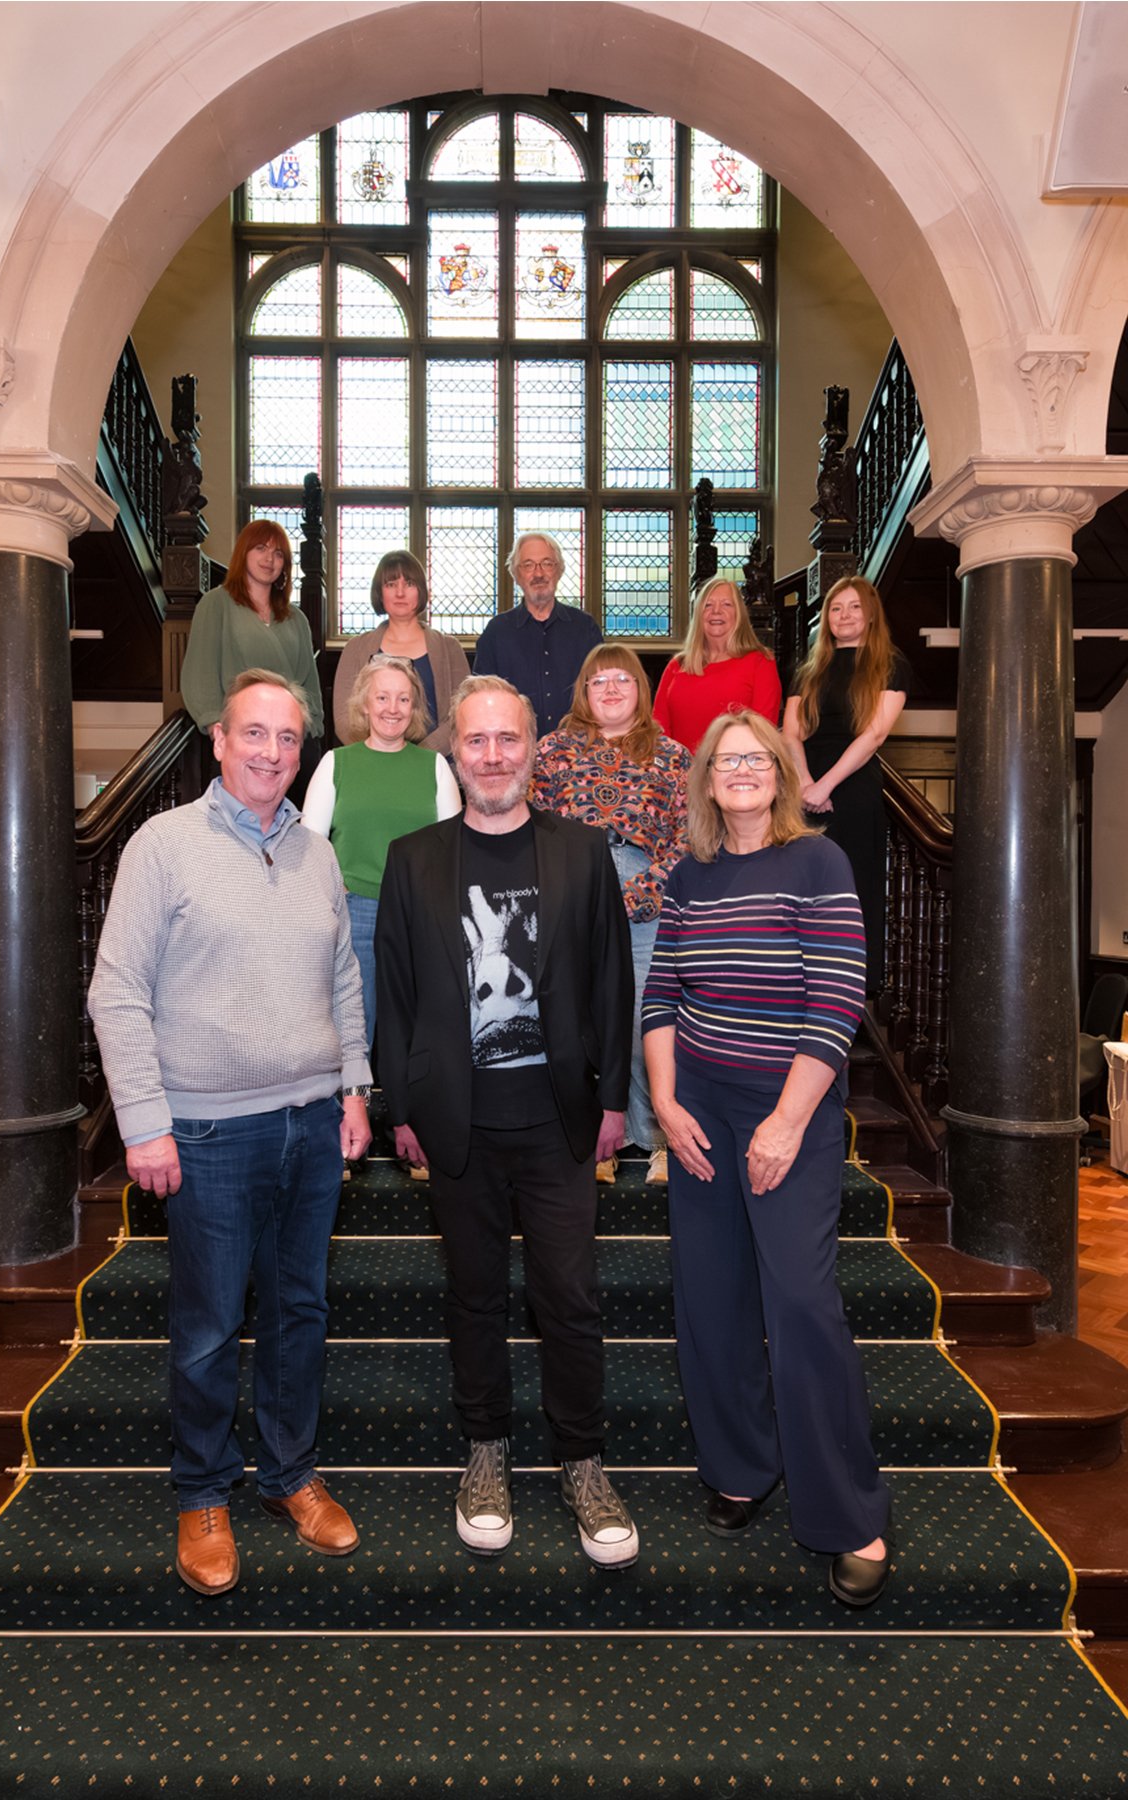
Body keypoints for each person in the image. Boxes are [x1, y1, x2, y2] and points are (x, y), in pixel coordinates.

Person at [88, 670, 371, 1598]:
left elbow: (343, 984)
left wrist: (356, 1090)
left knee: (299, 1313)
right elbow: (117, 992)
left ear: (303, 751)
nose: (270, 753)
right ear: (218, 739)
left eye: (287, 740)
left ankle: (290, 1473)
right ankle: (202, 1490)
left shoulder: (316, 855)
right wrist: (144, 1123)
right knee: (209, 1327)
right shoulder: (161, 846)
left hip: (312, 1123)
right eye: (254, 734)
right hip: (204, 1134)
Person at [374, 675, 639, 1568]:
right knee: (475, 1295)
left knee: (570, 1298)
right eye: (477, 741)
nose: (493, 756)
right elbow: (398, 997)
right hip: (457, 1124)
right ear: (455, 752)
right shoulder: (414, 861)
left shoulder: (583, 852)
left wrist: (614, 1102)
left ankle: (583, 1462)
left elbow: (612, 983)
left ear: (535, 750)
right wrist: (398, 1108)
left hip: (560, 1121)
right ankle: (485, 1451)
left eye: (509, 740)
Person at [641, 708, 890, 1608]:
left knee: (799, 1301)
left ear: (781, 775)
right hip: (700, 1105)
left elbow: (836, 1002)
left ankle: (849, 1514)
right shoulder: (690, 877)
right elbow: (661, 994)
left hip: (792, 1106)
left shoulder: (818, 862)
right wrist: (665, 1104)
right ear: (706, 780)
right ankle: (742, 1466)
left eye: (756, 759)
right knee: (709, 1296)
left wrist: (785, 1123)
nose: (740, 771)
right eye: (724, 761)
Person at [532, 643, 690, 1187]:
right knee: (580, 1020)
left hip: (647, 891)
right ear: (584, 691)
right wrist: (568, 890)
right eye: (600, 681)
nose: (612, 689)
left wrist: (644, 889)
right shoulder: (552, 750)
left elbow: (689, 836)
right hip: (571, 888)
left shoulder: (671, 755)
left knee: (649, 1018)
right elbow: (530, 825)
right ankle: (598, 1140)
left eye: (623, 679)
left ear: (641, 691)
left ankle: (660, 1140)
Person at [303, 654, 461, 1053]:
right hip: (354, 911)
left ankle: (405, 1113)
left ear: (415, 707)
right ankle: (355, 1111)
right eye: (383, 698)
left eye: (404, 699)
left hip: (418, 914)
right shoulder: (335, 763)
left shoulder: (435, 767)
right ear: (365, 704)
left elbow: (453, 851)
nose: (393, 709)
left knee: (414, 1028)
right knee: (356, 1027)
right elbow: (310, 848)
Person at [782, 576, 909, 993]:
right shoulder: (809, 669)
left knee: (851, 888)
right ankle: (798, 982)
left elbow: (873, 734)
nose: (845, 615)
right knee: (801, 889)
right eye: (836, 608)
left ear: (870, 614)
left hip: (853, 786)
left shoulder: (890, 664)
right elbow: (791, 732)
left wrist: (827, 786)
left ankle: (851, 986)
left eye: (854, 607)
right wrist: (804, 783)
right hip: (805, 783)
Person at [180, 520, 323, 804]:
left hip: (292, 745)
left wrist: (309, 732)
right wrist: (221, 732)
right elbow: (199, 676)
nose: (269, 559)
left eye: (278, 553)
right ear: (243, 553)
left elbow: (311, 686)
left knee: (292, 835)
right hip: (241, 744)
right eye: (261, 548)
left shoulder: (297, 619)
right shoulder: (216, 605)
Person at [332, 550, 470, 757]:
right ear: (380, 592)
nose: (400, 593)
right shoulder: (356, 648)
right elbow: (344, 719)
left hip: (435, 764)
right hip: (372, 764)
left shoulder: (449, 648)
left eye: (409, 584)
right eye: (391, 584)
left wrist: (417, 757)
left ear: (421, 590)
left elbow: (461, 715)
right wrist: (378, 752)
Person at [472, 531, 602, 736]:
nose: (538, 573)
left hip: (578, 750)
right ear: (516, 575)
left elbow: (601, 693)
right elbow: (481, 699)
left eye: (547, 563)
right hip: (515, 749)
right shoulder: (496, 632)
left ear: (558, 571)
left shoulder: (585, 628)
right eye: (529, 565)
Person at [652, 575, 781, 753]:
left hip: (734, 770)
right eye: (708, 605)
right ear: (698, 615)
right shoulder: (677, 665)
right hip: (678, 773)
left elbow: (763, 731)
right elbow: (659, 728)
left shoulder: (760, 662)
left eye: (726, 604)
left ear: (739, 614)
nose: (716, 611)